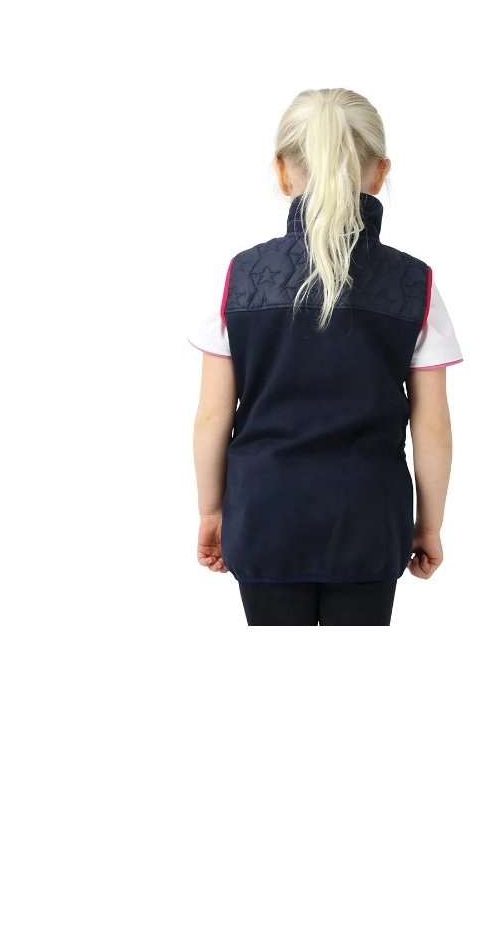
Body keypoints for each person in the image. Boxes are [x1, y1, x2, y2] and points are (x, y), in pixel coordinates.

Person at [188, 88, 463, 626]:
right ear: (379, 173)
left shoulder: (240, 278)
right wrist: (428, 526)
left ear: (282, 171)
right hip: (371, 519)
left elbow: (211, 417)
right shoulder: (416, 284)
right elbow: (431, 428)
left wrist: (211, 510)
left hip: (263, 514)